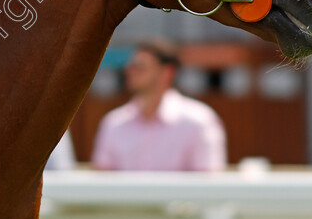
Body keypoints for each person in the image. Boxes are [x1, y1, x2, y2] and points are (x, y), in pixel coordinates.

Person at [91, 41, 226, 172]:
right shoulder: (113, 122)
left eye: (140, 66)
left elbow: (208, 184)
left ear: (167, 72)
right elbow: (102, 179)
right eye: (130, 66)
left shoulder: (199, 121)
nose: (129, 71)